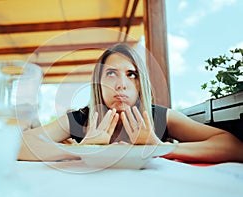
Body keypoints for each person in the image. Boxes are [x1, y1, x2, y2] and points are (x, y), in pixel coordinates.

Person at [18, 43, 243, 163]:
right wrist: (83, 150)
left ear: (139, 84)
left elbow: (233, 146)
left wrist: (161, 148)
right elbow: (18, 145)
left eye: (131, 74)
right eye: (111, 74)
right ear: (98, 83)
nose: (121, 84)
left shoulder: (159, 117)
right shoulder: (82, 119)